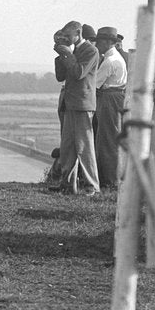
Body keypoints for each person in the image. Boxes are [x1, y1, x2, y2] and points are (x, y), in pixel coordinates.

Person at [52, 20, 99, 195]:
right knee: (68, 146)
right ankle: (66, 183)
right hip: (71, 103)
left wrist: (66, 53)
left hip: (82, 104)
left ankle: (91, 185)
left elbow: (78, 73)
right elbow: (61, 76)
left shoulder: (90, 51)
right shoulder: (74, 50)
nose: (66, 39)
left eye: (68, 36)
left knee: (84, 147)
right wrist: (61, 54)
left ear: (78, 33)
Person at [93, 26, 127, 188]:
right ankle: (111, 178)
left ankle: (109, 179)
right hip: (116, 97)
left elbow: (95, 85)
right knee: (110, 137)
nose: (97, 44)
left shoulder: (109, 61)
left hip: (109, 98)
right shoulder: (116, 57)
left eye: (99, 41)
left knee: (107, 139)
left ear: (107, 42)